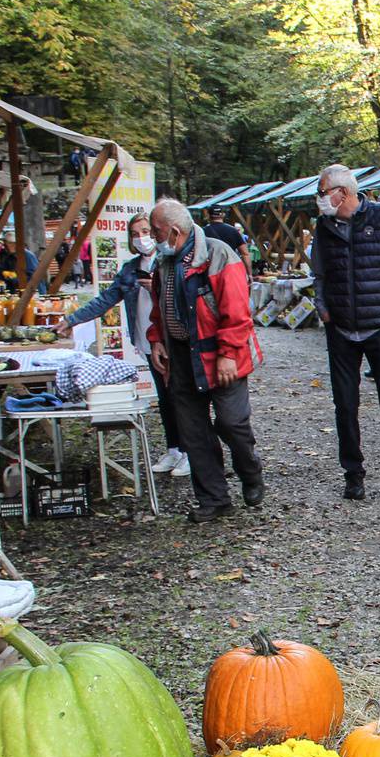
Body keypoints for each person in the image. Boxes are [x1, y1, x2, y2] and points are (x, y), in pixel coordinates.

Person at [145, 198, 266, 522]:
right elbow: (160, 308)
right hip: (182, 355)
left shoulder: (217, 255)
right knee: (194, 430)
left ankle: (250, 471)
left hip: (220, 353)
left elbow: (238, 313)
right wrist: (157, 338)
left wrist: (227, 354)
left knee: (232, 422)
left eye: (155, 231)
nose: (151, 237)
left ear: (173, 232)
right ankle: (214, 498)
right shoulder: (165, 261)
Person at [312, 164, 380, 500]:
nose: (319, 199)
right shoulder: (324, 226)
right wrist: (322, 307)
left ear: (342, 193)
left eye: (322, 192)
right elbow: (319, 273)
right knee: (344, 404)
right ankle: (353, 473)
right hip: (342, 330)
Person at [59, 211, 188, 478]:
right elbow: (105, 300)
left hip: (172, 340)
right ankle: (174, 448)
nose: (142, 238)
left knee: (180, 396)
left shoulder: (171, 263)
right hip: (146, 341)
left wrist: (157, 286)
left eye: (146, 232)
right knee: (164, 398)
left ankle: (191, 453)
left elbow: (185, 299)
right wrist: (72, 320)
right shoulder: (130, 268)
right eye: (135, 233)